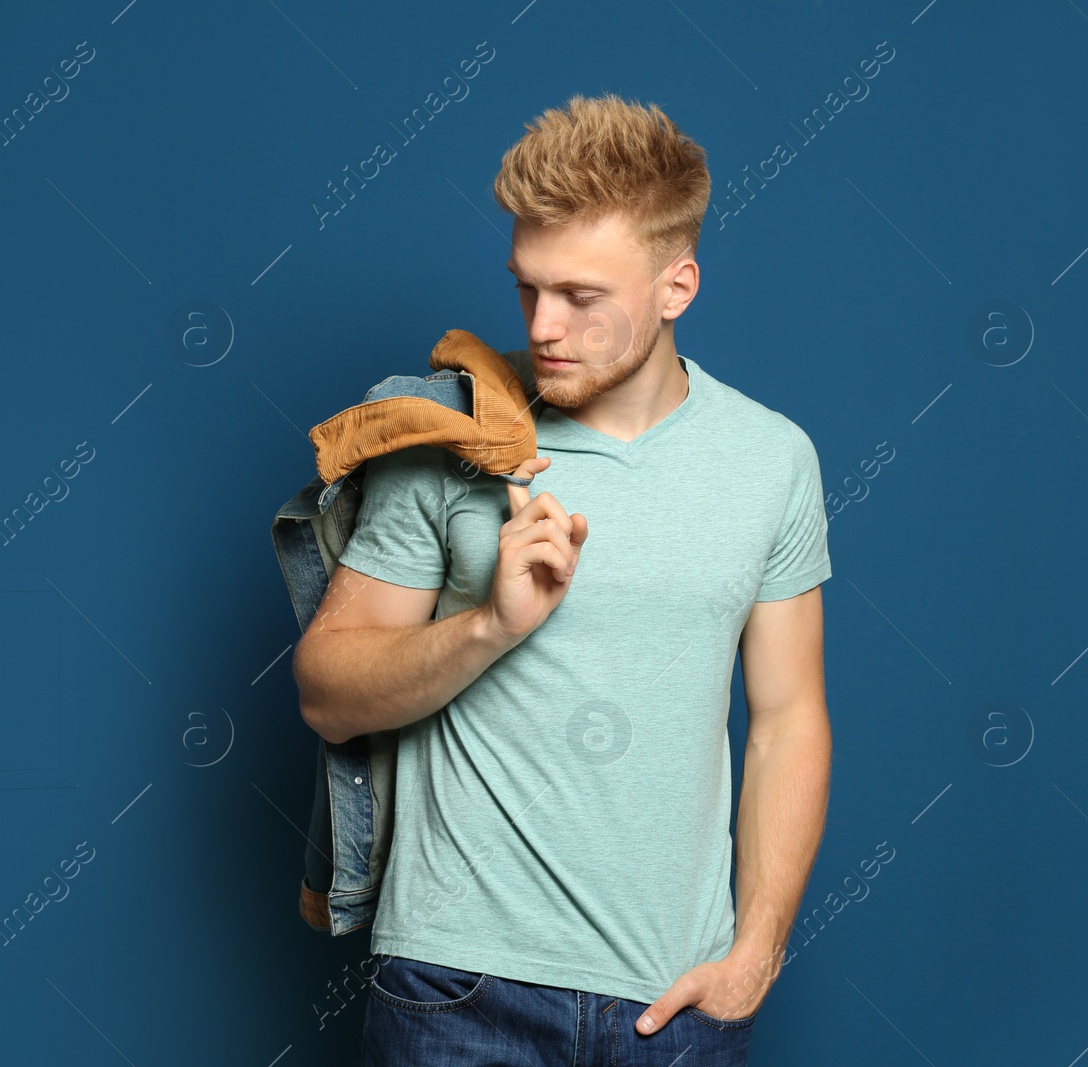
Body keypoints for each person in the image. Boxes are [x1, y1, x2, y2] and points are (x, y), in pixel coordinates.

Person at [292, 92, 833, 1066]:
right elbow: (326, 691)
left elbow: (789, 714)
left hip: (675, 1002)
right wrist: (488, 626)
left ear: (678, 285)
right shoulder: (451, 434)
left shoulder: (771, 458)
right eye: (526, 287)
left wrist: (755, 951)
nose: (544, 324)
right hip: (456, 990)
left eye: (582, 296)